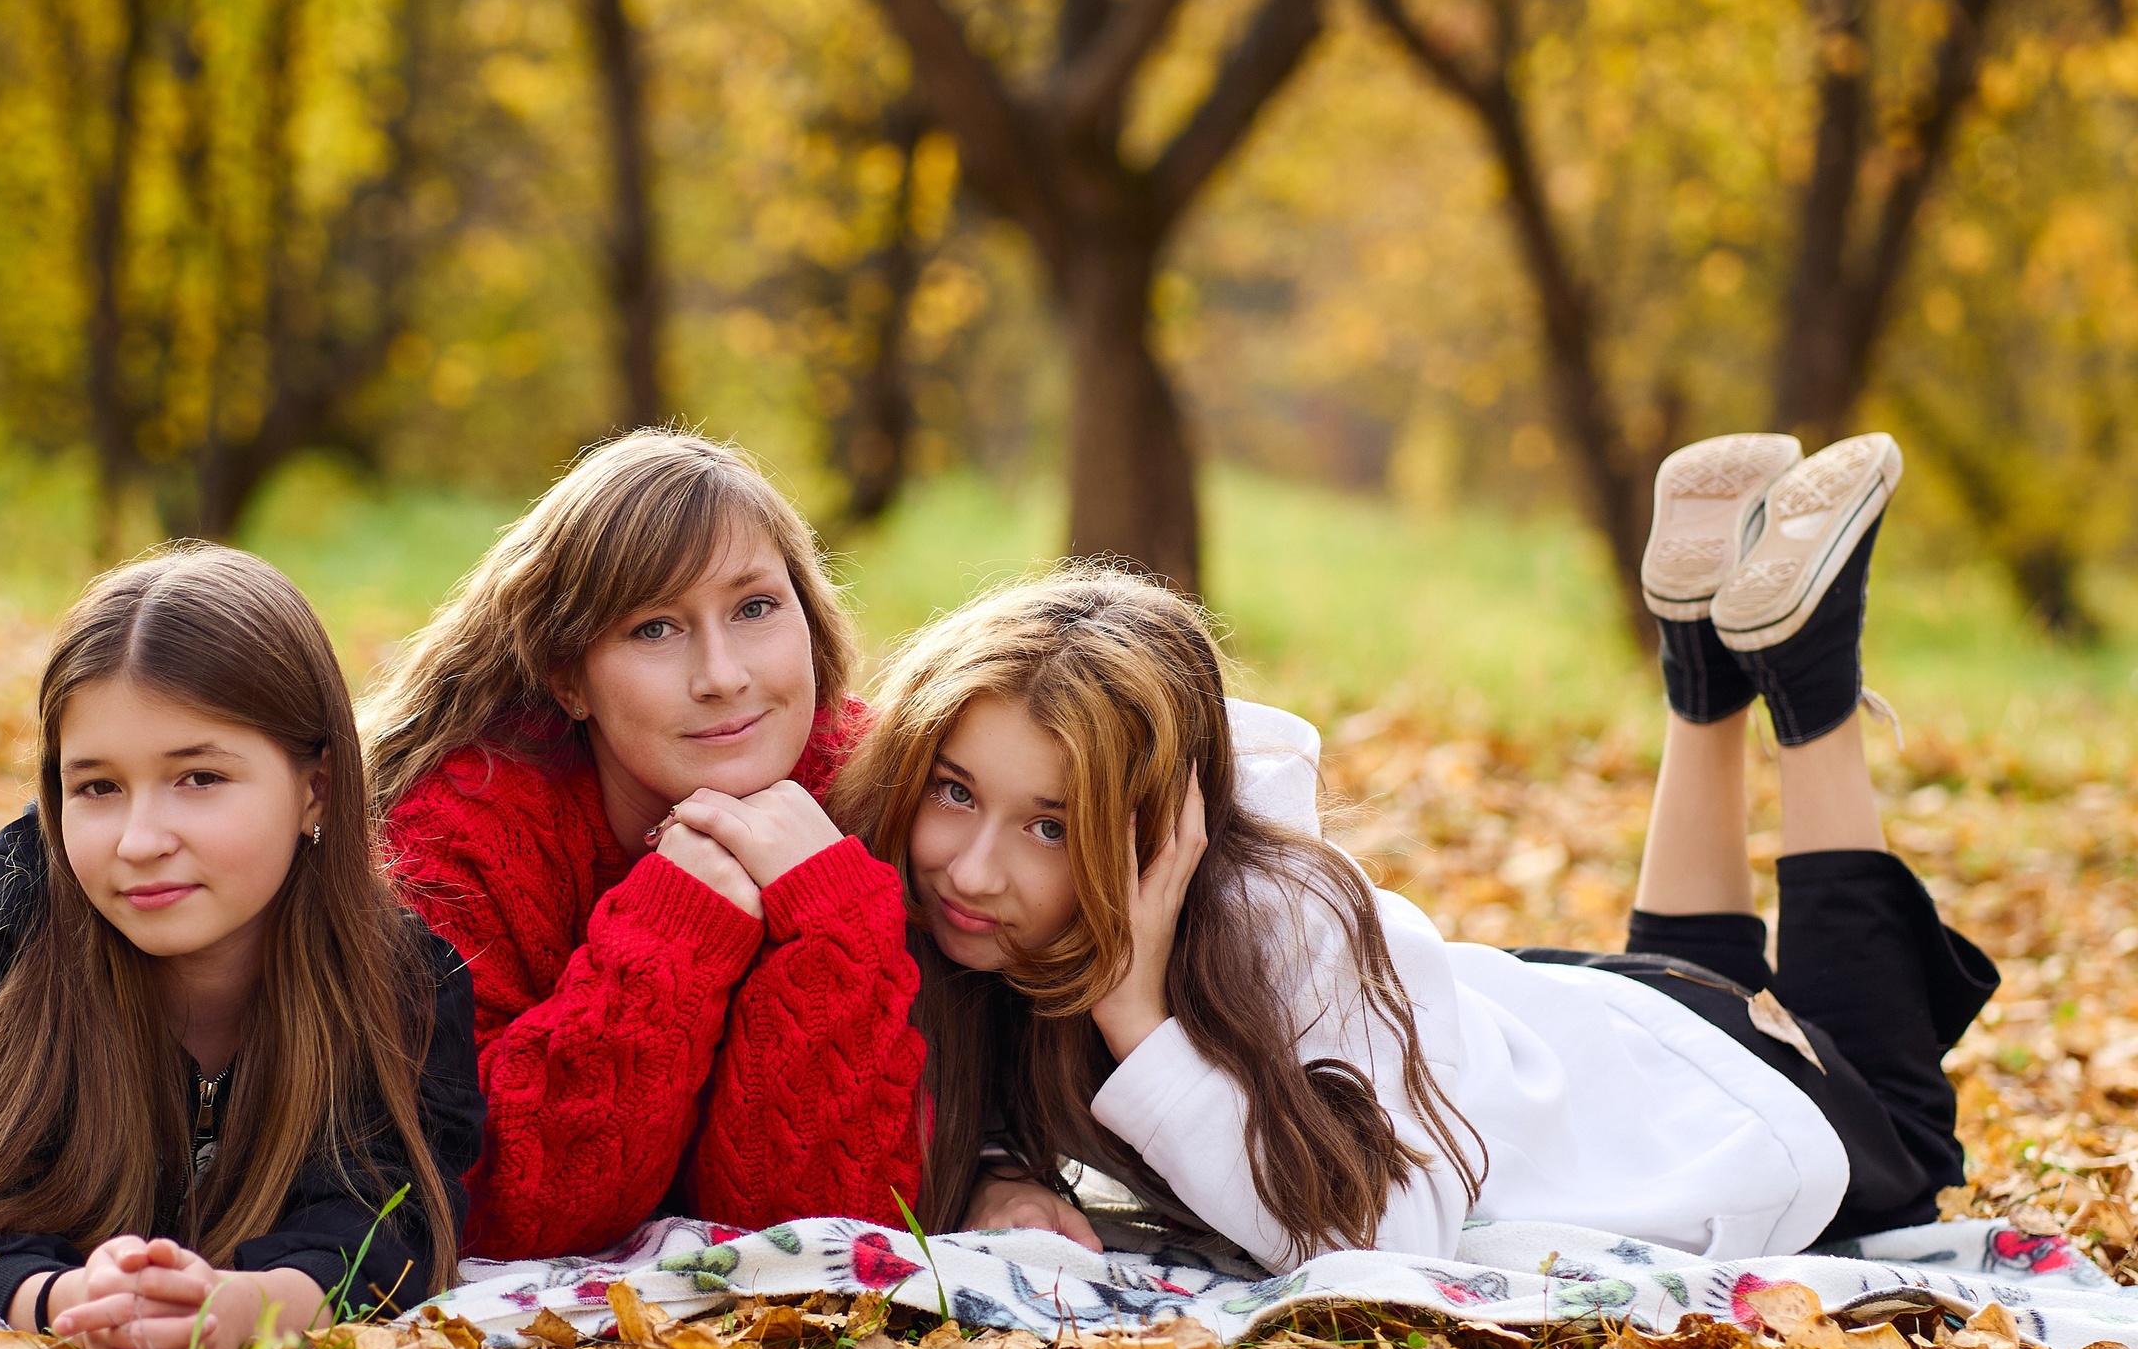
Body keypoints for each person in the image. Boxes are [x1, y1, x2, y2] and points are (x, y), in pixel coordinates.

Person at [836, 432, 1998, 1271]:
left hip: (1692, 1098)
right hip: (1592, 1030)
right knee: (1716, 997)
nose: (972, 868)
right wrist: (995, 1167)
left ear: (1153, 830)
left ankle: (1810, 678)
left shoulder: (1280, 920)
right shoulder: (947, 907)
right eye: (953, 792)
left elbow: (1385, 1246)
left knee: (1900, 1122)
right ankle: (1697, 662)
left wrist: (1136, 1015)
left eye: (1047, 825)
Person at [0, 544, 483, 1349]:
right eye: (98, 788)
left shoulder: (401, 985)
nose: (141, 841)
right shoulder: (6, 923)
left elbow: (383, 1223)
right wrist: (69, 1301)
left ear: (315, 789)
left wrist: (230, 1311)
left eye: (199, 777)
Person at [360, 430, 925, 1260]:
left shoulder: (879, 787)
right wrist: (678, 926)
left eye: (756, 607)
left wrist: (828, 912)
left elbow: (828, 1232)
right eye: (655, 628)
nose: (723, 675)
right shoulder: (460, 838)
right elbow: (502, 1213)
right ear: (568, 677)